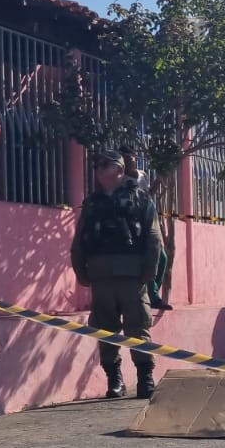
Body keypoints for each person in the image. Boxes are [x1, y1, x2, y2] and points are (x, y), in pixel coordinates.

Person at [72, 151, 162, 398]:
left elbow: (154, 237)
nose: (102, 172)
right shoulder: (92, 203)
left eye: (107, 167)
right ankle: (115, 380)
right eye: (100, 168)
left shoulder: (139, 199)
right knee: (105, 330)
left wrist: (149, 271)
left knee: (138, 327)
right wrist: (80, 271)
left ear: (120, 170)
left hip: (132, 276)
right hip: (101, 277)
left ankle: (145, 378)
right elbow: (79, 239)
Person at [120, 149, 172, 311]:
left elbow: (148, 194)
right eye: (127, 158)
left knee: (162, 257)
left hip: (148, 219)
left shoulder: (142, 174)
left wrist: (158, 180)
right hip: (133, 224)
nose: (131, 160)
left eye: (132, 157)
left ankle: (151, 291)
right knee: (149, 256)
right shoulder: (120, 180)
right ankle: (153, 297)